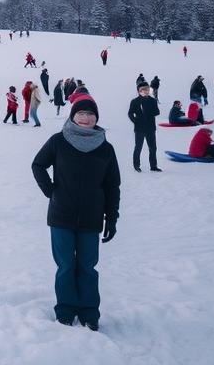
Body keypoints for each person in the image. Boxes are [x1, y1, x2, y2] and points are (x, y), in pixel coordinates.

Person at [30, 98, 121, 331]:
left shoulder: (105, 148)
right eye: (81, 113)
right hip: (61, 216)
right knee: (66, 266)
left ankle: (90, 312)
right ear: (73, 116)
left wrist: (111, 217)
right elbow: (38, 165)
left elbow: (112, 185)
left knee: (88, 267)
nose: (86, 118)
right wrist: (51, 191)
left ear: (96, 117)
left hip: (91, 218)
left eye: (91, 114)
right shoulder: (58, 141)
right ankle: (66, 309)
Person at [127, 84, 161, 172]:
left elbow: (157, 112)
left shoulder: (153, 100)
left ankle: (153, 166)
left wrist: (150, 111)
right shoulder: (135, 101)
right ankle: (136, 166)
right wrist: (135, 121)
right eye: (143, 89)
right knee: (138, 147)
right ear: (139, 91)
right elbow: (130, 113)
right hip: (139, 129)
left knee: (153, 148)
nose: (146, 91)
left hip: (150, 128)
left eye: (147, 89)